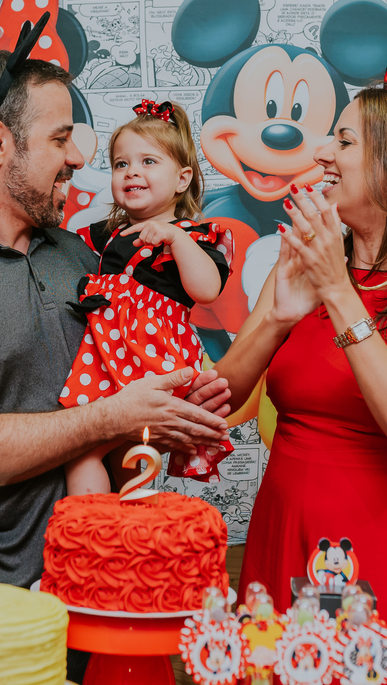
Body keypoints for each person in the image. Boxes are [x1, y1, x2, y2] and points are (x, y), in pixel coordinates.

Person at [0, 21, 232, 598]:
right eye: (61, 139)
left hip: (91, 587)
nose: (81, 158)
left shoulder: (84, 257)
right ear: (0, 143)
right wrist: (109, 418)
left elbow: (128, 399)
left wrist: (171, 411)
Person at [212, 41, 387, 642]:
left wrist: (338, 293)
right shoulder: (301, 259)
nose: (321, 152)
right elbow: (226, 398)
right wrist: (277, 318)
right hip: (284, 534)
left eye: (344, 142)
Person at [60, 100, 235, 494]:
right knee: (91, 447)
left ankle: (116, 530)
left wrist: (176, 238)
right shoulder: (102, 235)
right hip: (104, 353)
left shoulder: (197, 236)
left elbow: (206, 290)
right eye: (121, 164)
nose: (132, 171)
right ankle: (101, 532)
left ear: (182, 179)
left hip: (150, 354)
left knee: (117, 446)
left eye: (148, 162)